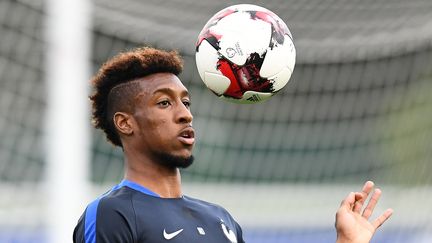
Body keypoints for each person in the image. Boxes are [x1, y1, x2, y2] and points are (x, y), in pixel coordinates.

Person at [73, 47, 393, 243]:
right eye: (164, 104)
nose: (185, 114)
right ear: (125, 123)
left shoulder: (219, 220)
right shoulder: (112, 214)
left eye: (185, 102)